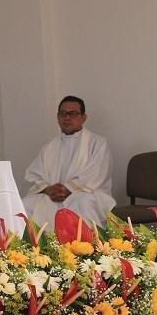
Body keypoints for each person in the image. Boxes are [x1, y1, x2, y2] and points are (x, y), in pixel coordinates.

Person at [22, 95, 116, 227]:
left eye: (73, 114)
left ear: (83, 118)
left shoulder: (97, 143)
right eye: (63, 113)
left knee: (82, 202)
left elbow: (96, 173)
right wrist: (47, 189)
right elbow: (35, 174)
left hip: (86, 194)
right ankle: (39, 246)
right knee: (27, 203)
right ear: (58, 117)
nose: (67, 118)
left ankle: (87, 246)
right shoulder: (49, 147)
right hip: (53, 197)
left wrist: (69, 188)